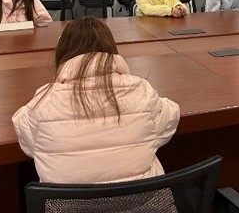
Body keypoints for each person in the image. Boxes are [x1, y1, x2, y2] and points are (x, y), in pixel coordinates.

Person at [12, 16, 180, 183]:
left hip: (68, 201)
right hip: (142, 199)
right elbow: (170, 116)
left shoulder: (44, 102)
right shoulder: (140, 91)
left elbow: (26, 137)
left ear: (62, 53)